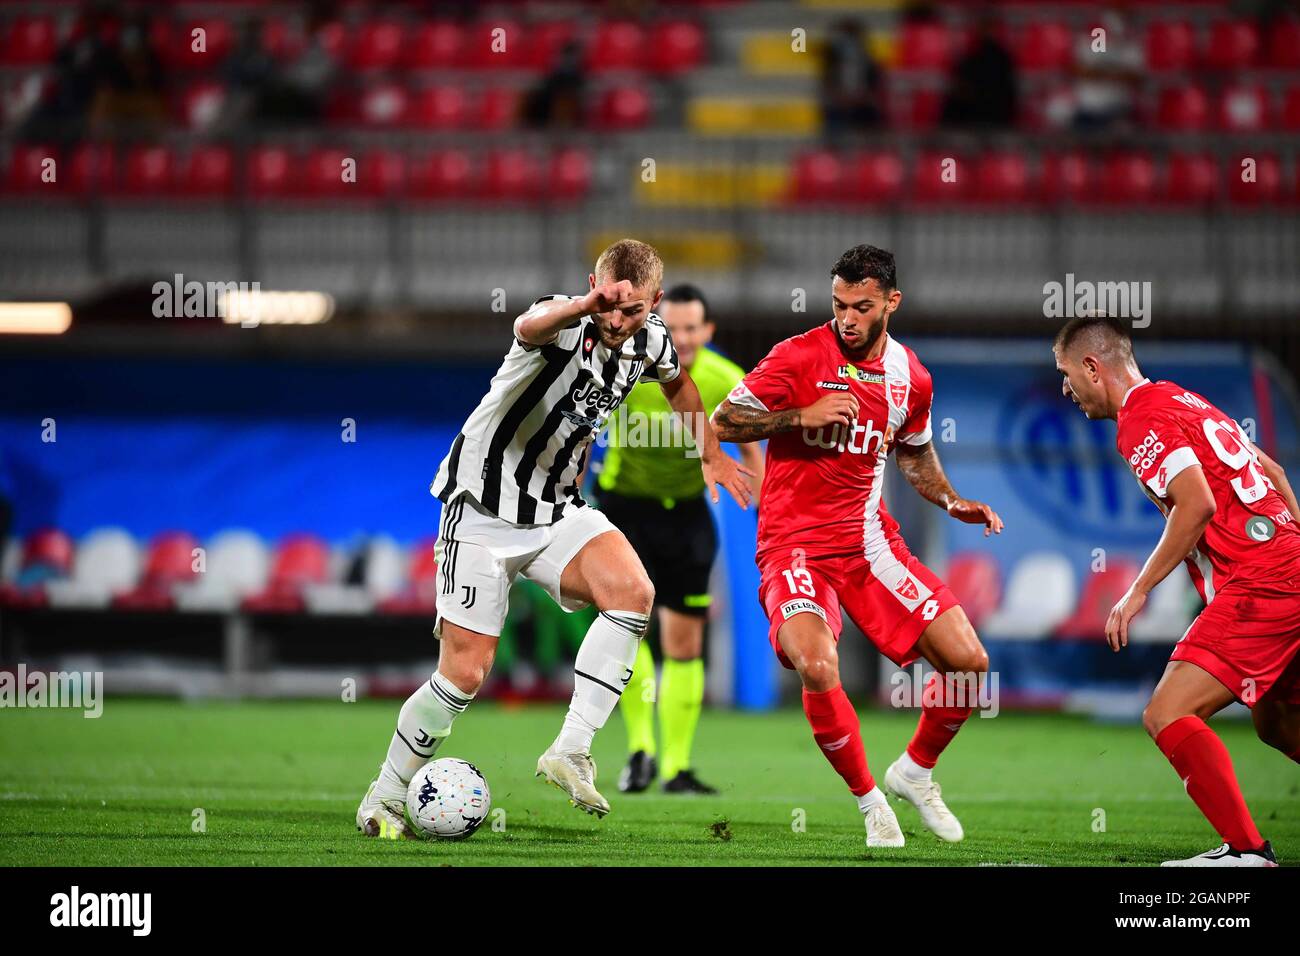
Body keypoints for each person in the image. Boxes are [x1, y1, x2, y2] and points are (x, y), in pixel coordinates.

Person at [356, 239, 752, 837]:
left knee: (633, 593)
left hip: (555, 509)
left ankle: (570, 750)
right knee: (465, 673)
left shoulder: (652, 339)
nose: (618, 322)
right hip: (483, 508)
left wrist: (711, 454)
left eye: (634, 310)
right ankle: (383, 797)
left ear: (656, 304)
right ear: (592, 286)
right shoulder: (563, 323)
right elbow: (529, 322)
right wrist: (583, 305)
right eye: (610, 306)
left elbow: (679, 385)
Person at [712, 244, 1003, 848]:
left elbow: (915, 452)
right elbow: (724, 421)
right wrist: (799, 416)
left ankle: (916, 772)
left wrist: (952, 500)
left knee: (969, 665)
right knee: (818, 666)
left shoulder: (911, 377)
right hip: (793, 546)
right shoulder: (797, 356)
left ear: (891, 303)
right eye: (840, 305)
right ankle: (871, 801)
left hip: (870, 546)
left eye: (862, 307)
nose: (847, 318)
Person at [1054, 315, 1299, 867]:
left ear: (1093, 368)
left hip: (1261, 583)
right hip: (1287, 569)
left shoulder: (1139, 418)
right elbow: (1276, 473)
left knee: (1166, 713)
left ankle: (1247, 853)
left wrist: (1137, 590)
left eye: (1066, 374)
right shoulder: (1184, 400)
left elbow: (1198, 504)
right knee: (1279, 724)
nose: (1064, 388)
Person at [595, 283, 764, 794]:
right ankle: (641, 748)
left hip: (687, 515)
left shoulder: (723, 381)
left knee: (685, 642)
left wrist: (759, 498)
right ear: (656, 325)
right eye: (675, 327)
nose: (684, 338)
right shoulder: (624, 367)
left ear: (708, 331)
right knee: (628, 630)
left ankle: (675, 769)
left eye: (694, 328)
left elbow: (754, 455)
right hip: (625, 512)